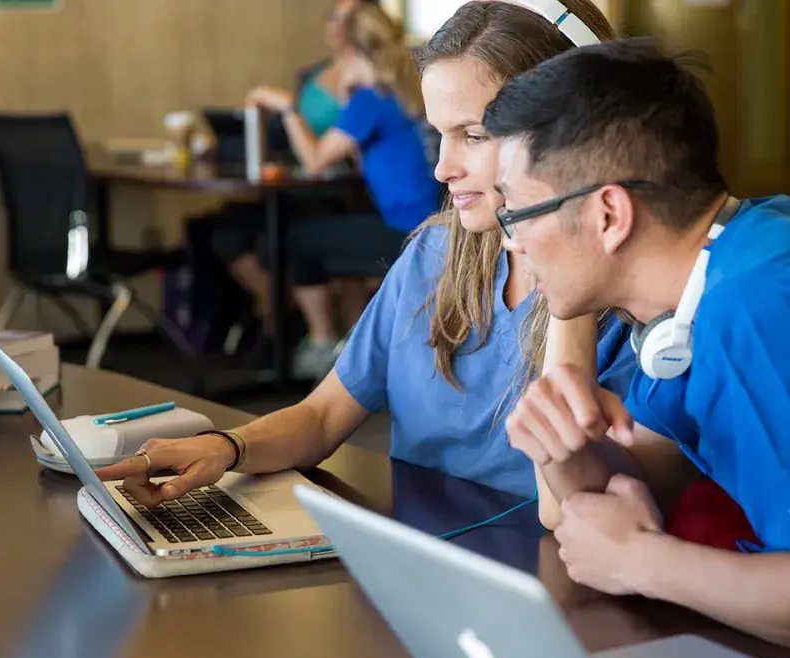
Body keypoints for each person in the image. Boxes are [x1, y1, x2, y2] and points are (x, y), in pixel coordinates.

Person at [97, 1, 635, 529]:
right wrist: (225, 446)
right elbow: (322, 416)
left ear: (575, 135)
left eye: (473, 135)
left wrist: (566, 255)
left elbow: (568, 513)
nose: (443, 169)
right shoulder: (434, 253)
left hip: (542, 571)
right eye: (440, 135)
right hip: (413, 556)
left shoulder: (630, 306)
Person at [485, 37, 790, 645]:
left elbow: (626, 546)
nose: (509, 242)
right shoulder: (689, 301)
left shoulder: (756, 302)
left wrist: (642, 563)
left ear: (608, 216)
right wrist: (563, 449)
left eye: (516, 214)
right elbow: (640, 486)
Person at [248, 2, 443, 378]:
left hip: (408, 233)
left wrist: (288, 108)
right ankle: (350, 342)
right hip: (432, 224)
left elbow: (314, 161)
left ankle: (324, 344)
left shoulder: (369, 100)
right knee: (329, 230)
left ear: (351, 53)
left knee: (295, 241)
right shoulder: (402, 89)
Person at [209, 0, 377, 369]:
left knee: (288, 238)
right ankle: (282, 310)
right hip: (297, 184)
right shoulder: (312, 74)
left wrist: (288, 110)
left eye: (348, 18)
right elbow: (292, 137)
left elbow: (332, 152)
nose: (338, 26)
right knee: (227, 231)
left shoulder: (369, 81)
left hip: (344, 191)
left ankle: (315, 335)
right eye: (334, 17)